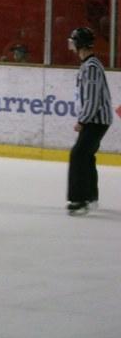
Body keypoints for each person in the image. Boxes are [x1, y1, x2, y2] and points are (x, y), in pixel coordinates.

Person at [66, 27, 113, 215]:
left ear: (80, 44)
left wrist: (82, 121)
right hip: (95, 120)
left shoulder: (91, 67)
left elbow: (93, 99)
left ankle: (79, 200)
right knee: (86, 156)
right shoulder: (89, 65)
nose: (70, 45)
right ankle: (91, 196)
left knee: (78, 155)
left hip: (96, 121)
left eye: (73, 41)